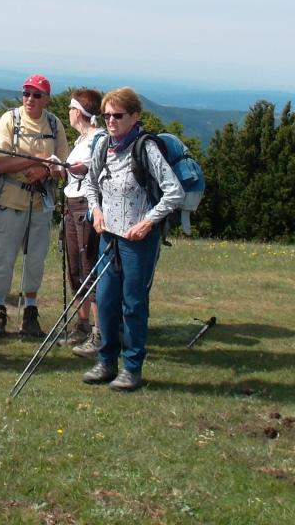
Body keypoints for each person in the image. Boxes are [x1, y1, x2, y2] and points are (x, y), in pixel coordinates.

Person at [81, 87, 184, 391]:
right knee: (106, 300)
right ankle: (106, 362)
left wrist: (148, 222)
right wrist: (96, 211)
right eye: (107, 115)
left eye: (118, 115)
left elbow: (174, 192)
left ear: (134, 116)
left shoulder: (145, 149)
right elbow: (90, 184)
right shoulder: (103, 146)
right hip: (108, 237)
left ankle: (132, 367)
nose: (111, 120)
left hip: (138, 241)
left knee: (133, 304)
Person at [0, 75, 69, 338]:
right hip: (10, 200)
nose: (30, 99)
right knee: (2, 258)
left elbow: (63, 168)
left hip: (40, 203)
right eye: (26, 93)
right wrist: (39, 160)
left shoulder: (55, 125)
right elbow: (0, 163)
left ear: (46, 98)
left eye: (37, 94)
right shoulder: (10, 120)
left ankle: (30, 311)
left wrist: (43, 172)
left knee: (35, 260)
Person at [60, 88, 106, 356]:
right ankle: (83, 324)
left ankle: (100, 332)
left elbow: (87, 169)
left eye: (70, 108)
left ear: (78, 111)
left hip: (85, 208)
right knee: (77, 267)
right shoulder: (82, 139)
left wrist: (64, 167)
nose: (68, 112)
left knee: (90, 265)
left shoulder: (97, 139)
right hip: (72, 205)